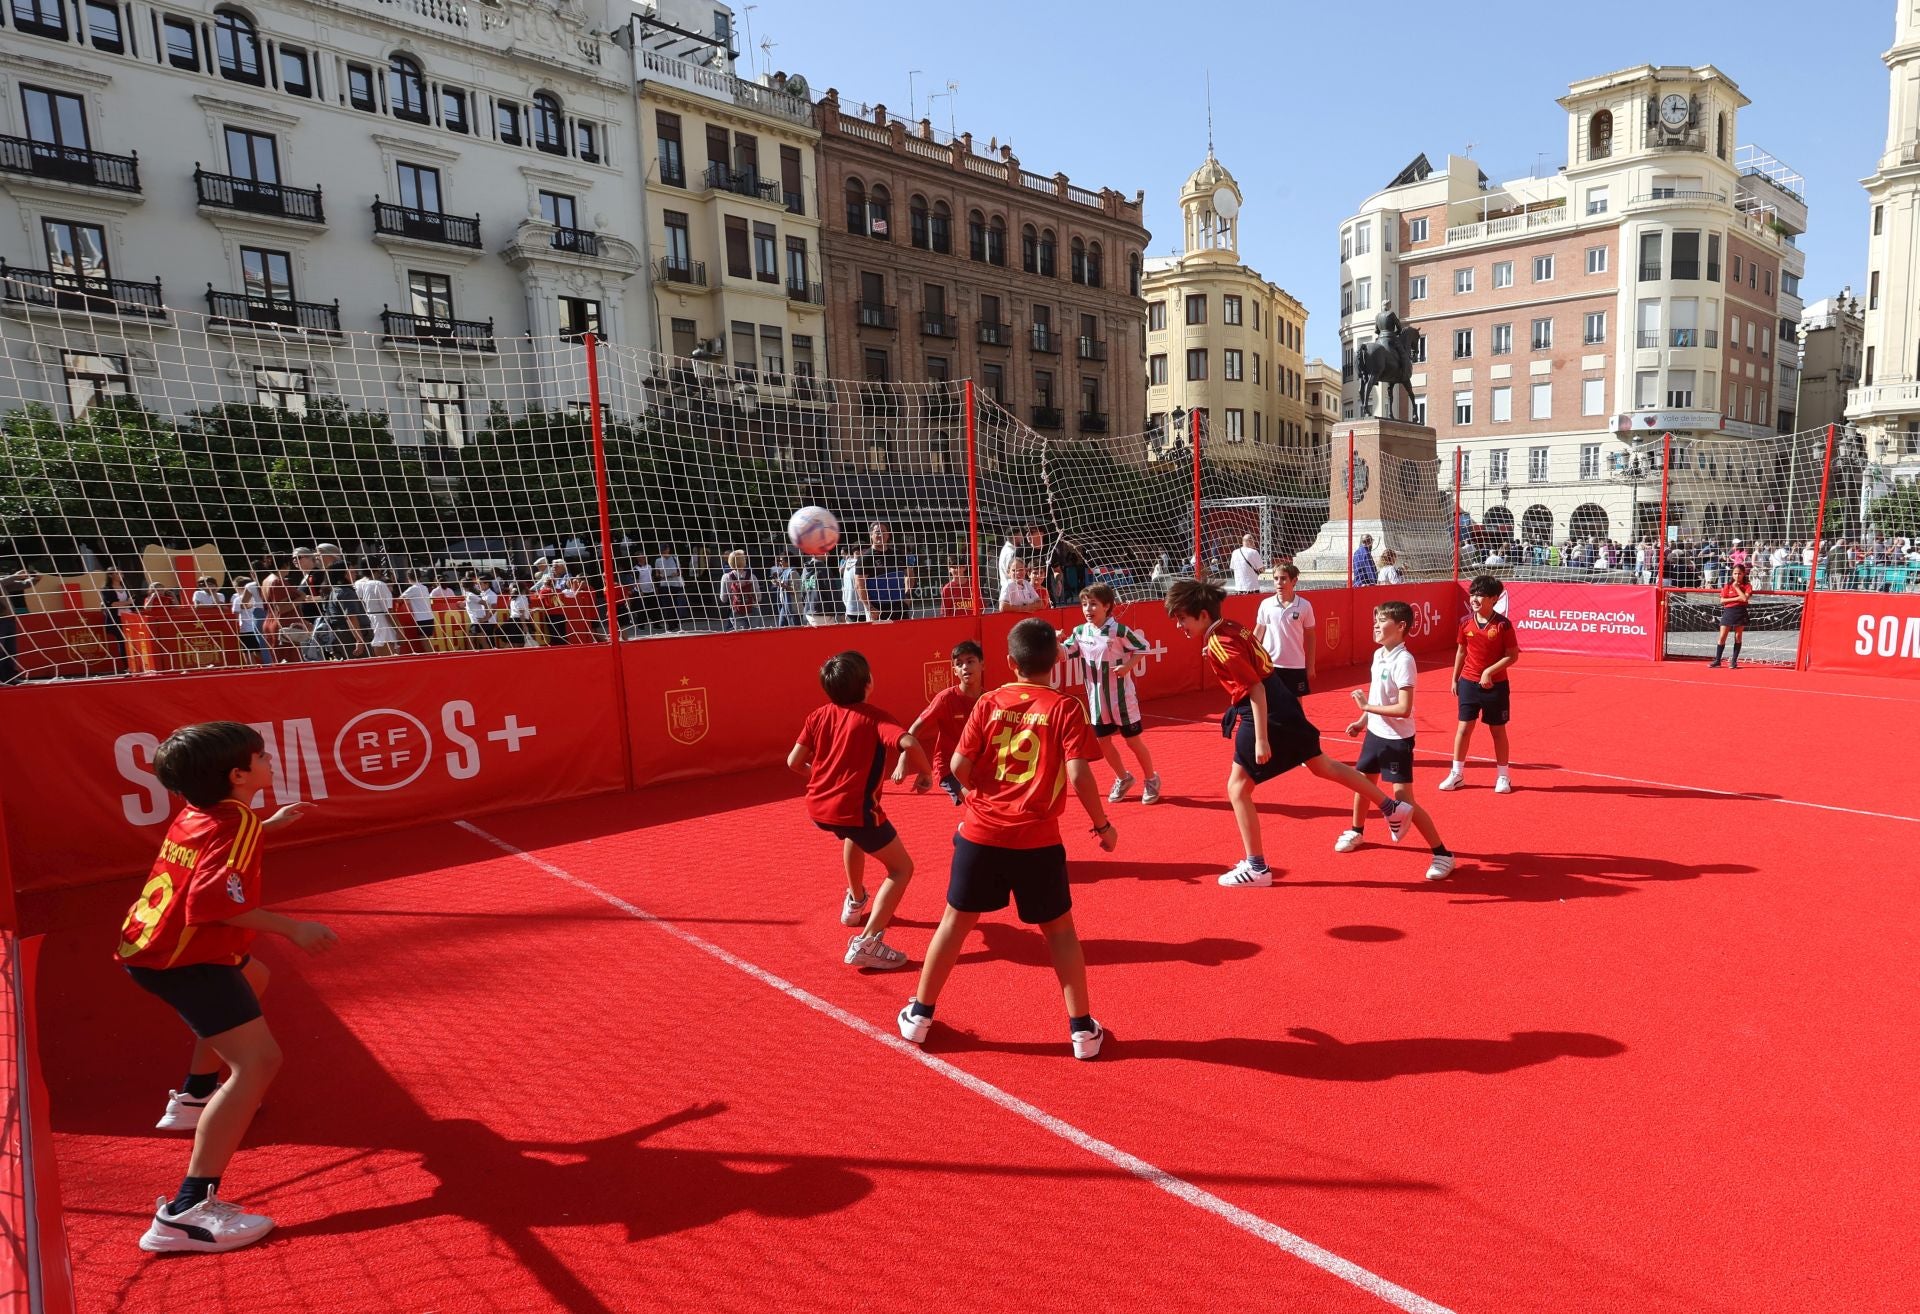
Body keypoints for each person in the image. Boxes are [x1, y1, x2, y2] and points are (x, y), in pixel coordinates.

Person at [115, 721, 337, 1252]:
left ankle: (194, 1098)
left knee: (253, 976)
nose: (268, 762)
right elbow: (213, 905)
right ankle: (186, 1212)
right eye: (260, 757)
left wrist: (270, 825)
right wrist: (295, 928)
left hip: (153, 948)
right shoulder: (235, 822)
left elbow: (218, 853)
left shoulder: (208, 812)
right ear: (239, 775)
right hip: (184, 958)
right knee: (259, 1062)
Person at [896, 618, 1118, 1060]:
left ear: (1009, 662)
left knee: (955, 923)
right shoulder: (1065, 707)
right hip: (1037, 839)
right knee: (1059, 932)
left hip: (981, 832)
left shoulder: (989, 701)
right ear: (1056, 662)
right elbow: (1078, 773)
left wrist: (980, 791)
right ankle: (1081, 1032)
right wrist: (1102, 826)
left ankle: (920, 1016)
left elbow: (959, 766)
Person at [1164, 579, 1409, 888]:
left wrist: (1262, 738)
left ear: (1201, 614)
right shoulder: (1229, 628)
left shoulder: (1218, 642)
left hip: (1264, 710)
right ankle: (1392, 807)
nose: (1178, 625)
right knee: (1322, 765)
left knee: (1238, 789)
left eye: (1181, 618)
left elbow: (1253, 687)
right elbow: (1250, 662)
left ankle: (1257, 867)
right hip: (1282, 700)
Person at [787, 651, 933, 971]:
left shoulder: (817, 716)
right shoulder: (875, 717)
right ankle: (869, 942)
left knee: (854, 836)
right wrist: (925, 774)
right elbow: (908, 743)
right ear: (868, 683)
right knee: (901, 869)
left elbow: (794, 762)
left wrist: (823, 778)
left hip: (820, 807)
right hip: (855, 810)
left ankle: (855, 902)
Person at [1335, 602, 1455, 879]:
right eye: (1375, 620)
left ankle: (1443, 854)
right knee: (1362, 783)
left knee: (1404, 803)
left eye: (1381, 621)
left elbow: (1403, 708)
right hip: (1374, 733)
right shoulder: (1379, 655)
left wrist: (1366, 709)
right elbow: (1377, 696)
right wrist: (1363, 721)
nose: (1375, 625)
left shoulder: (1404, 661)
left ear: (1400, 627)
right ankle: (1357, 831)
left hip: (1397, 739)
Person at [1061, 584, 1162, 805]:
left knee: (1132, 741)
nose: (1088, 609)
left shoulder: (1119, 631)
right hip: (1097, 701)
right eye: (1084, 604)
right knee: (1103, 742)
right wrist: (1053, 639)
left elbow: (1143, 647)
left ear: (1107, 606)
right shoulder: (1080, 632)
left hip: (1122, 699)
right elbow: (1063, 654)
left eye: (1093, 604)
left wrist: (1128, 667)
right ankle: (1123, 778)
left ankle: (1151, 779)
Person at [1440, 575, 1521, 793]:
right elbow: (1461, 650)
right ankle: (1456, 774)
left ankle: (1503, 776)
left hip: (1496, 686)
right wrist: (1455, 678)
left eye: (1480, 595)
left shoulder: (1503, 625)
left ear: (1494, 599)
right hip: (1468, 682)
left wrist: (1489, 672)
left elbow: (1512, 656)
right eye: (1472, 593)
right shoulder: (1465, 622)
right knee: (1464, 728)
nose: (1474, 598)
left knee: (1497, 731)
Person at [898, 640, 986, 806]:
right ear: (954, 671)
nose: (965, 667)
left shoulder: (989, 699)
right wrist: (904, 760)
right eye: (959, 664)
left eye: (970, 661)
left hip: (979, 766)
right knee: (977, 803)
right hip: (949, 768)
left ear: (982, 665)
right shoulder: (946, 698)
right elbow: (915, 728)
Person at [1252, 563, 1317, 697]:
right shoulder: (1266, 604)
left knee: (1295, 707)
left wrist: (1310, 666)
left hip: (1295, 665)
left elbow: (1311, 637)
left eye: (1283, 578)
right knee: (1269, 704)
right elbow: (1258, 632)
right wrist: (1250, 657)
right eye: (1276, 578)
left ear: (1294, 581)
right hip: (1269, 665)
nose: (1279, 583)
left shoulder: (1305, 606)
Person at [855, 522, 914, 622]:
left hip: (900, 606)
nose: (880, 534)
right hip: (878, 609)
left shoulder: (898, 554)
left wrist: (908, 594)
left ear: (888, 534)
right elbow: (859, 585)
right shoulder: (865, 558)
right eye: (877, 532)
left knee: (904, 637)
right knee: (881, 637)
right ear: (871, 535)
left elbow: (909, 574)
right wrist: (870, 607)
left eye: (883, 532)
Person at [1709, 563, 1754, 669]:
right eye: (1735, 573)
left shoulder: (1747, 586)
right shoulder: (1727, 586)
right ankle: (1717, 660)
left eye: (1739, 574)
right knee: (1722, 637)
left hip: (1740, 611)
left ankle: (1733, 661)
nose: (1737, 576)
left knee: (1738, 637)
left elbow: (1744, 599)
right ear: (1732, 574)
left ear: (1744, 574)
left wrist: (1737, 588)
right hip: (1729, 611)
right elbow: (1722, 601)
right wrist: (1736, 598)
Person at [353, 565, 399, 657]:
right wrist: (399, 629)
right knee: (388, 656)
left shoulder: (357, 584)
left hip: (366, 620)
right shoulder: (379, 584)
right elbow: (388, 610)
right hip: (381, 621)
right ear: (377, 569)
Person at [1, 565, 35, 684]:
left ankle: (9, 678)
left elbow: (22, 585)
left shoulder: (2, 583)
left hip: (9, 619)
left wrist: (34, 578)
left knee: (11, 651)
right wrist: (16, 576)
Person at [231, 575, 270, 666]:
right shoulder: (259, 596)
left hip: (245, 629)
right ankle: (267, 665)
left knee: (247, 652)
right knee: (261, 650)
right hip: (258, 627)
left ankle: (252, 669)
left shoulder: (238, 599)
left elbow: (236, 616)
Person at [718, 550, 760, 632]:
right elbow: (758, 597)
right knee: (756, 635)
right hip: (753, 609)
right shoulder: (752, 576)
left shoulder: (726, 577)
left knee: (741, 636)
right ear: (744, 561)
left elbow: (723, 599)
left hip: (736, 610)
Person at [399, 570, 434, 654]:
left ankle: (432, 659)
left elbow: (399, 600)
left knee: (425, 642)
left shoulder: (412, 589)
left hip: (422, 619)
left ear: (408, 578)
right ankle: (432, 657)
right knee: (427, 641)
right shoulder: (424, 587)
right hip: (429, 617)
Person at [654, 548, 688, 631]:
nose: (663, 552)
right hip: (664, 584)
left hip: (675, 584)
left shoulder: (675, 558)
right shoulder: (658, 560)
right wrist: (660, 575)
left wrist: (675, 574)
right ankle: (671, 624)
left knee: (675, 604)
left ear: (668, 550)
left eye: (665, 550)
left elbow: (680, 571)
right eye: (662, 550)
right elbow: (657, 573)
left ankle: (675, 622)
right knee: (667, 605)